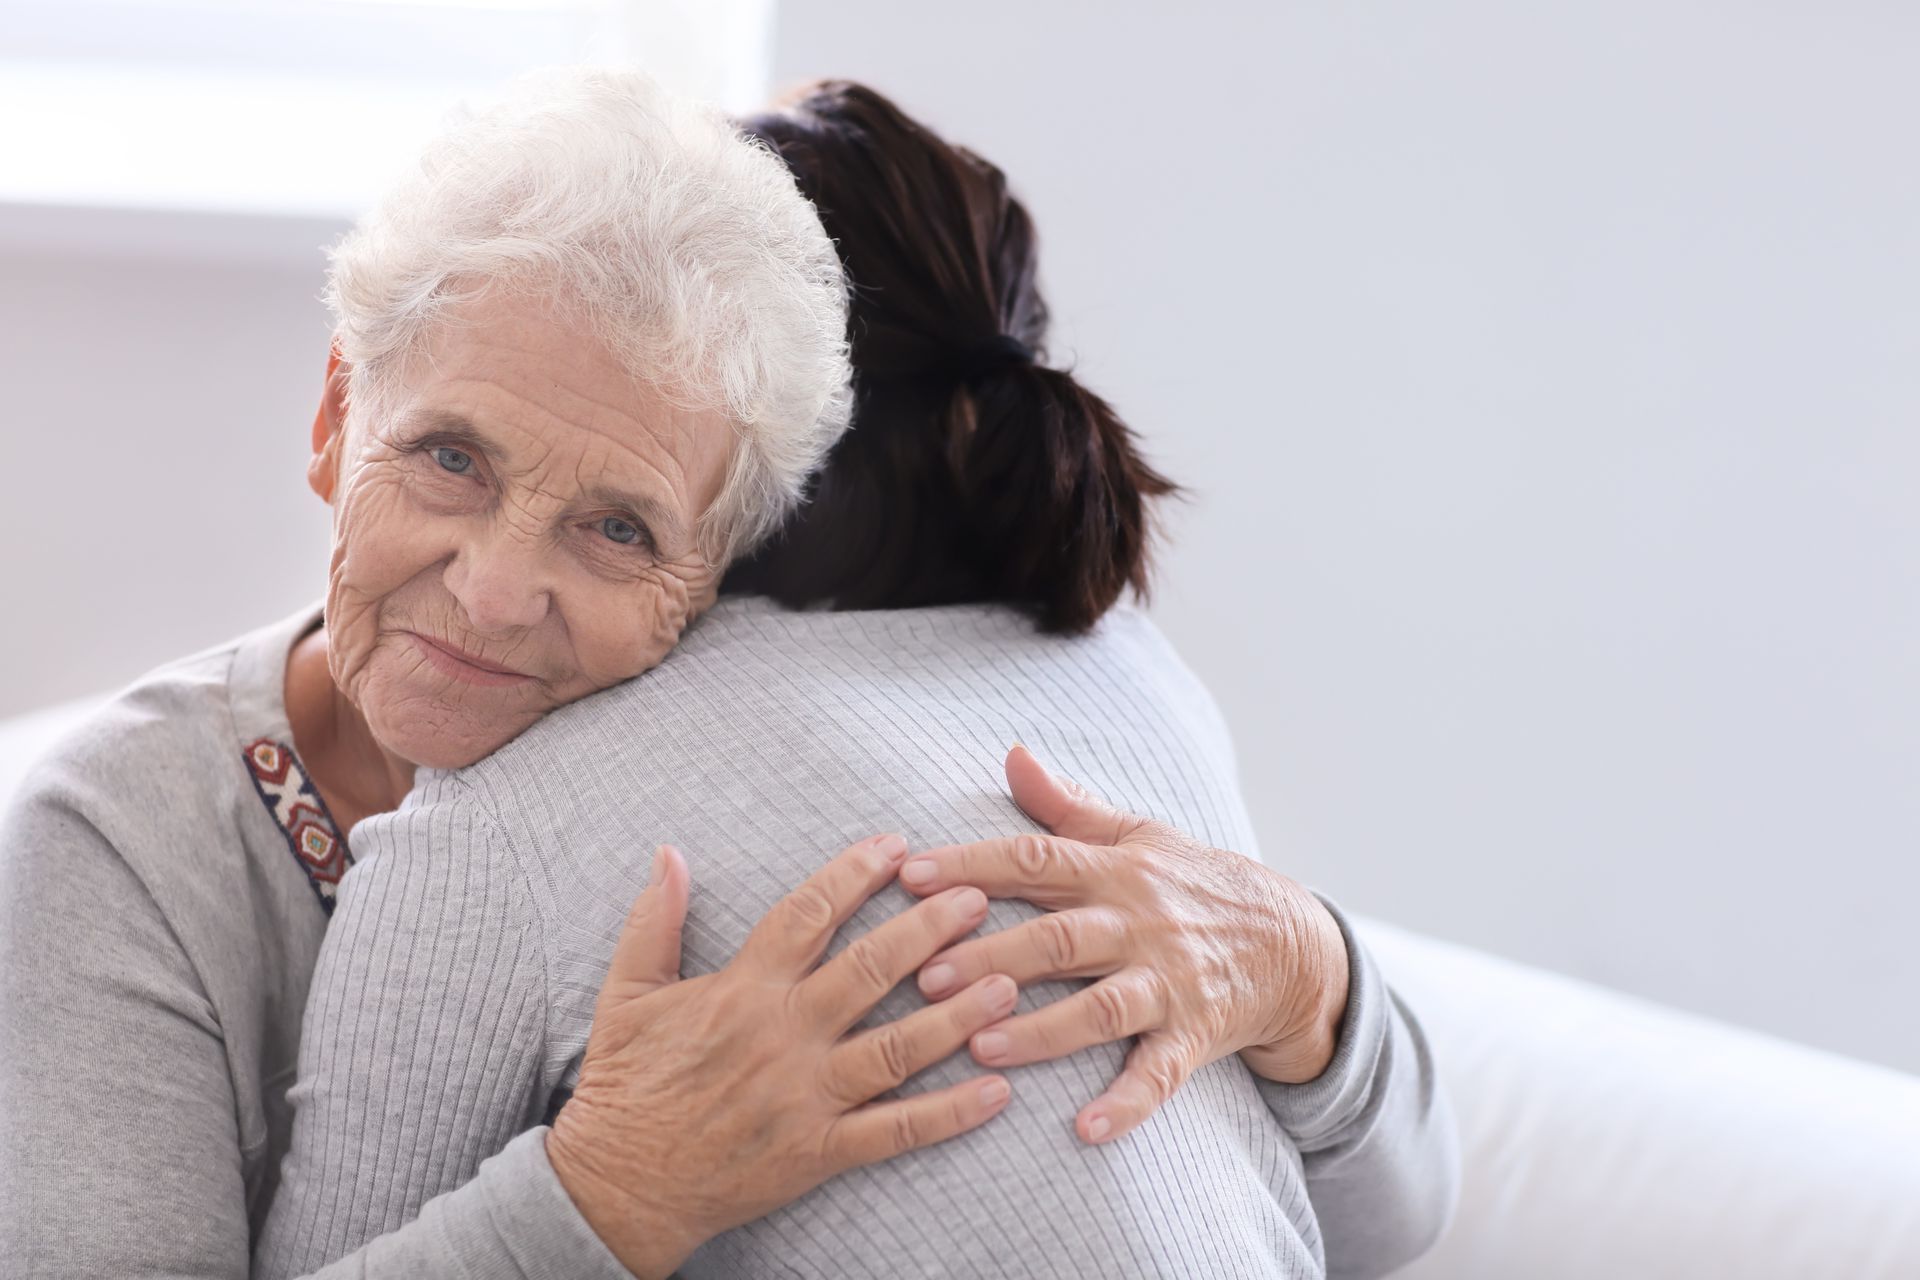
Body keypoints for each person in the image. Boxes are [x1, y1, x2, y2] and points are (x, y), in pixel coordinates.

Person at [254, 81, 1460, 1280]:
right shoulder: (1136, 676)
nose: (500, 590)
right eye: (454, 456)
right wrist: (1318, 971)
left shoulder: (510, 815)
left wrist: (611, 1189)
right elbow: (1380, 1229)